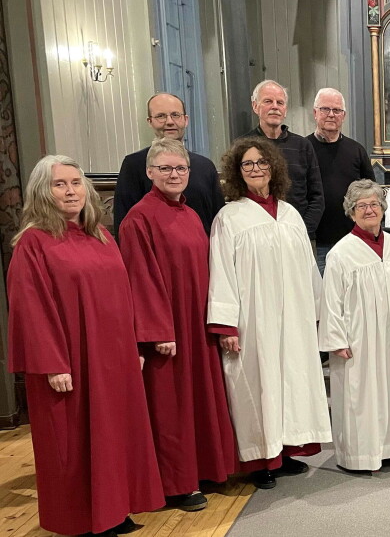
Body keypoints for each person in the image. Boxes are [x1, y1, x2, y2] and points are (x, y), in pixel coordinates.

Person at [7, 155, 164, 536]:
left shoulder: (101, 235)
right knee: (75, 440)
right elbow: (31, 309)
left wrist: (133, 345)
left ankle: (115, 508)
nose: (70, 190)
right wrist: (53, 364)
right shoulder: (33, 243)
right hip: (71, 360)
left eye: (75, 182)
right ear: (42, 192)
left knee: (116, 434)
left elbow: (123, 295)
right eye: (59, 184)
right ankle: (85, 517)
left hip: (112, 357)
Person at [119, 138, 237, 512]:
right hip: (168, 331)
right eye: (166, 169)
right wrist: (157, 332)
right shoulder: (138, 218)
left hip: (196, 323)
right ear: (150, 172)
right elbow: (140, 279)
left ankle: (204, 470)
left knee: (199, 400)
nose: (175, 175)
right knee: (171, 407)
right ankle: (176, 483)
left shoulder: (188, 213)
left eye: (181, 168)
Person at [207, 137, 332, 490]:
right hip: (254, 319)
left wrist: (317, 311)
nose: (256, 169)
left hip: (293, 316)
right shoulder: (229, 217)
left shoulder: (290, 214)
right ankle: (260, 460)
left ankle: (287, 450)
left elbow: (308, 267)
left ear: (273, 167)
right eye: (248, 164)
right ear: (237, 172)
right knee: (258, 385)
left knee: (290, 381)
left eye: (262, 162)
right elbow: (221, 271)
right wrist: (226, 324)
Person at [318, 179, 390, 472]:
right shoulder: (341, 253)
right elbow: (331, 301)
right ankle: (361, 455)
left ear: (383, 208)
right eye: (361, 206)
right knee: (363, 394)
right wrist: (336, 339)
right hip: (359, 339)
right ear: (351, 212)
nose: (369, 210)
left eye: (374, 204)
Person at [114, 93, 225, 238]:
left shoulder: (205, 166)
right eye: (161, 116)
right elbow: (124, 225)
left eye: (175, 115)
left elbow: (218, 220)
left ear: (185, 120)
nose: (169, 121)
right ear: (150, 121)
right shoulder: (134, 164)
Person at [244, 79, 325, 241]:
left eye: (280, 102)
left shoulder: (303, 145)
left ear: (285, 110)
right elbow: (238, 195)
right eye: (268, 101)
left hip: (300, 236)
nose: (275, 106)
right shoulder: (244, 147)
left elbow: (317, 197)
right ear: (255, 106)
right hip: (257, 238)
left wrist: (301, 231)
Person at [307, 87, 376, 274]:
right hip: (316, 241)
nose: (331, 115)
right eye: (325, 109)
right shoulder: (303, 149)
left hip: (352, 238)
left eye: (337, 110)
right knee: (322, 296)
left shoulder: (356, 150)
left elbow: (371, 192)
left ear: (343, 115)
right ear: (315, 113)